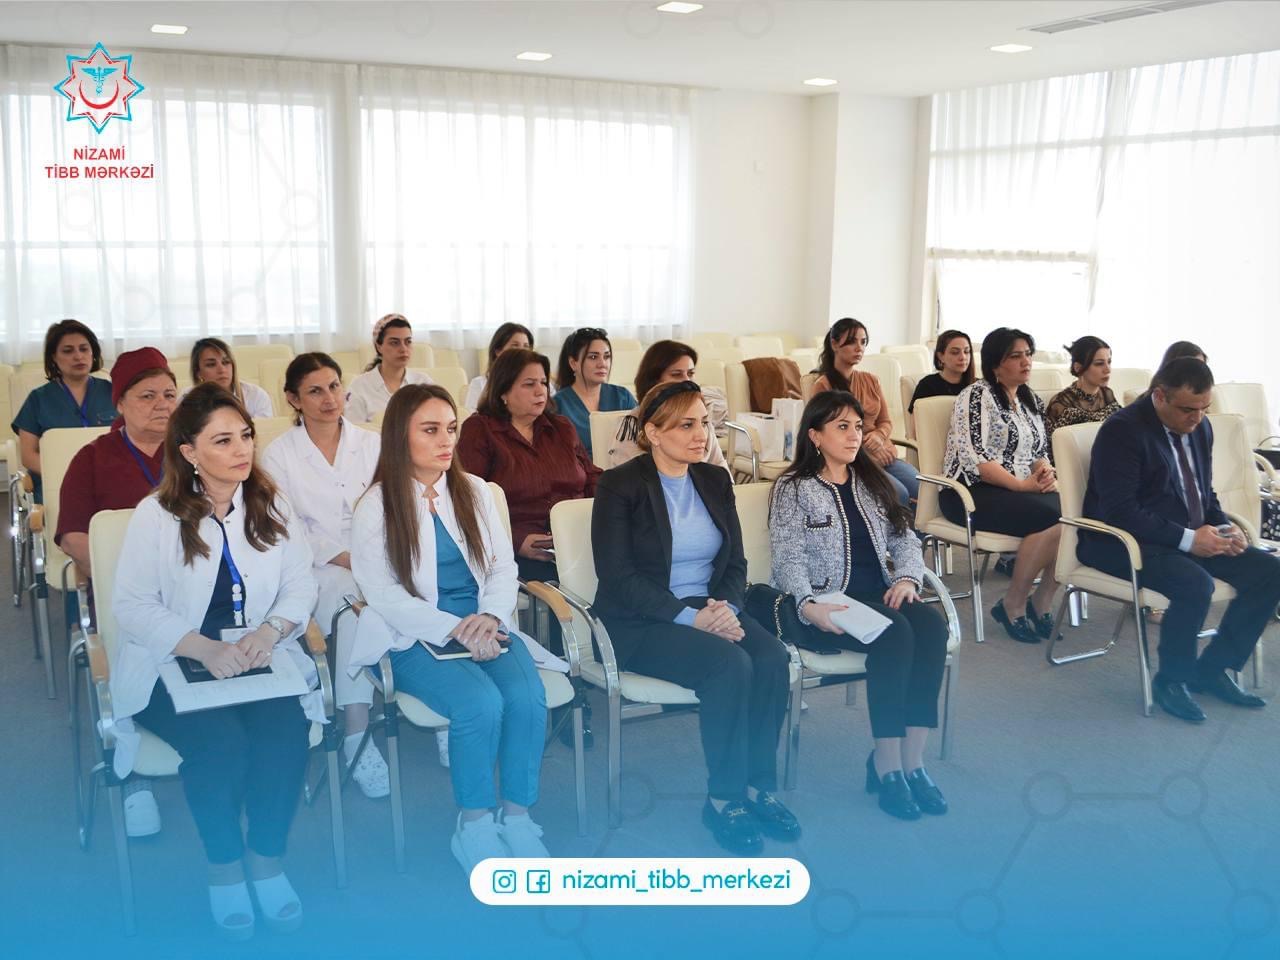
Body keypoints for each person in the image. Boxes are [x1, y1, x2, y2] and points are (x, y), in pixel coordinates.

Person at [110, 383, 321, 939]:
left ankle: (266, 861)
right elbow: (132, 605)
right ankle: (225, 868)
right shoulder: (156, 515)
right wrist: (202, 647)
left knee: (285, 736)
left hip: (256, 656)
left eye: (245, 436)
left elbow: (300, 584)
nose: (242, 449)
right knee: (221, 746)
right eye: (223, 440)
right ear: (189, 452)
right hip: (172, 660)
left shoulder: (271, 504)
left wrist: (272, 630)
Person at [349, 384, 551, 872]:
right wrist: (457, 628)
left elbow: (502, 568)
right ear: (400, 436)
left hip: (486, 622)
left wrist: (491, 618)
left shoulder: (476, 491)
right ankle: (474, 824)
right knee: (478, 704)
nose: (446, 440)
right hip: (413, 633)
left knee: (527, 698)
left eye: (452, 428)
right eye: (430, 430)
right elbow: (383, 594)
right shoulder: (376, 505)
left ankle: (517, 818)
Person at [592, 381, 799, 855]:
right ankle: (724, 799)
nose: (701, 434)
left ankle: (757, 786)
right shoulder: (620, 486)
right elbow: (618, 576)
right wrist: (690, 618)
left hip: (711, 608)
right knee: (730, 666)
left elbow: (735, 563)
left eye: (704, 423)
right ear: (653, 432)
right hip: (640, 621)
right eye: (686, 425)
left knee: (771, 657)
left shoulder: (713, 480)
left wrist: (724, 608)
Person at [769, 390, 950, 820]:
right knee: (896, 634)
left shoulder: (871, 481)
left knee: (932, 627)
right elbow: (787, 557)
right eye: (842, 427)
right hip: (828, 603)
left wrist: (907, 577)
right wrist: (807, 603)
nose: (854, 436)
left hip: (879, 594)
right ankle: (886, 765)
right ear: (815, 436)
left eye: (857, 426)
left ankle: (913, 761)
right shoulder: (793, 488)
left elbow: (904, 538)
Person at [1079, 358, 1280, 723]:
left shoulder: (1200, 427)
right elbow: (1120, 511)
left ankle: (1212, 670)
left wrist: (1224, 528)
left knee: (1270, 571)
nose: (1198, 418)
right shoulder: (1122, 431)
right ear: (1159, 396)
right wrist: (1189, 540)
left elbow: (1204, 493)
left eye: (1204, 408)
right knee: (1194, 584)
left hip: (1184, 536)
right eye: (1188, 409)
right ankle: (1171, 681)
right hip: (1126, 542)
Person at [55, 348, 176, 838]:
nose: (162, 404)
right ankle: (132, 777)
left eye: (169, 394)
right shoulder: (93, 458)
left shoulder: (193, 450)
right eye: (147, 396)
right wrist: (133, 580)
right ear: (120, 403)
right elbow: (72, 537)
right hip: (122, 596)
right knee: (129, 653)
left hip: (193, 589)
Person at [262, 353, 393, 796]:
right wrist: (343, 556)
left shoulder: (372, 444)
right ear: (292, 399)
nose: (329, 398)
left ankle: (441, 713)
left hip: (379, 554)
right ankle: (357, 732)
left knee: (426, 589)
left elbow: (393, 506)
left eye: (334, 386)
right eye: (315, 391)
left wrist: (372, 554)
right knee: (356, 605)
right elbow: (285, 526)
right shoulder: (279, 454)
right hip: (315, 567)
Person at [940, 327, 1061, 644]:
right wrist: (1021, 486)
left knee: (1077, 515)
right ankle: (1013, 604)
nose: (1026, 362)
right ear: (996, 364)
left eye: (1028, 354)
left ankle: (1041, 601)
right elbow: (977, 460)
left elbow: (1038, 451)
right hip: (972, 491)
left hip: (1020, 488)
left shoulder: (1030, 399)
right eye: (1016, 356)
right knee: (1053, 518)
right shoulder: (976, 396)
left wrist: (1045, 473)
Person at [458, 348, 600, 587]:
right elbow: (467, 500)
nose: (540, 391)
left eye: (543, 383)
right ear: (503, 391)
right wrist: (516, 541)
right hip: (515, 549)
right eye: (529, 384)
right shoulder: (480, 430)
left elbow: (592, 477)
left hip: (579, 538)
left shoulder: (561, 427)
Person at [812, 318, 919, 507]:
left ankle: (911, 528)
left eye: (863, 342)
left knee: (923, 489)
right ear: (835, 344)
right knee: (900, 495)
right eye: (852, 342)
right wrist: (868, 450)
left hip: (883, 452)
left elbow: (885, 422)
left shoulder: (871, 380)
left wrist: (878, 436)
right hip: (853, 460)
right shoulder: (824, 386)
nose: (859, 348)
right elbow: (829, 434)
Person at [11, 319, 116, 502]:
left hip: (108, 480)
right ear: (54, 357)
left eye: (84, 349)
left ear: (93, 352)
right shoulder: (38, 399)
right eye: (68, 351)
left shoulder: (113, 392)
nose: (78, 356)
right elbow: (28, 455)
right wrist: (67, 475)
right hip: (57, 485)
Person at [607, 339, 731, 475]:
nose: (687, 380)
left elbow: (721, 470)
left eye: (690, 373)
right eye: (676, 374)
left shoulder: (700, 418)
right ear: (654, 381)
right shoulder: (633, 426)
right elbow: (631, 480)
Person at [551, 327, 637, 458]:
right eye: (593, 357)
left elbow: (640, 438)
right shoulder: (558, 405)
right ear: (573, 363)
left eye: (606, 357)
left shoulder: (622, 397)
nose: (602, 364)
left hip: (623, 468)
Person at [345, 314, 434, 424]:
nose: (403, 349)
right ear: (379, 346)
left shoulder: (423, 382)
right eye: (395, 343)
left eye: (408, 342)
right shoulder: (359, 386)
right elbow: (354, 430)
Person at [1044, 336, 1121, 440]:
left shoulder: (1107, 394)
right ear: (1078, 368)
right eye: (1099, 363)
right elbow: (1052, 445)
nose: (1108, 370)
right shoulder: (1061, 403)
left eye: (1109, 362)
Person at [189, 337, 275, 419]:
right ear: (198, 373)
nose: (222, 370)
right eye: (211, 364)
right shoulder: (188, 399)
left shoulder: (256, 396)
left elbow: (263, 429)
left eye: (226, 362)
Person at [464, 322, 539, 411]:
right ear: (498, 351)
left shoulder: (540, 382)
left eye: (526, 347)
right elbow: (473, 416)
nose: (522, 352)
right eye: (515, 346)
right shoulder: (479, 384)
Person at [908, 329, 975, 414]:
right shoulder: (927, 385)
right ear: (940, 356)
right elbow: (915, 420)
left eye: (966, 351)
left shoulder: (978, 386)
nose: (963, 357)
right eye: (955, 352)